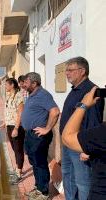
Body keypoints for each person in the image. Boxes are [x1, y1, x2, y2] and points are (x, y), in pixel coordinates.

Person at [59, 57, 104, 200]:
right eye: (66, 70)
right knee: (68, 177)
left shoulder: (91, 92)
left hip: (80, 146)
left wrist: (87, 149)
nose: (67, 73)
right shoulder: (74, 90)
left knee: (83, 183)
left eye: (70, 70)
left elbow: (93, 122)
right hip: (68, 144)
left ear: (82, 71)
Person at [21, 72, 60, 199]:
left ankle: (44, 192)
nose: (24, 85)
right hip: (30, 134)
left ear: (34, 83)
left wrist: (47, 129)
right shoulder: (32, 95)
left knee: (40, 163)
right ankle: (38, 188)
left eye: (26, 82)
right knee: (34, 162)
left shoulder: (43, 95)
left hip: (38, 136)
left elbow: (55, 111)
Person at [0, 78, 25, 184]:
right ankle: (18, 168)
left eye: (6, 85)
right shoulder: (9, 96)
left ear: (12, 85)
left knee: (18, 149)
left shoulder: (19, 96)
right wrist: (5, 122)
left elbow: (20, 113)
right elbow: (9, 110)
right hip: (9, 125)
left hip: (16, 126)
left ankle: (19, 172)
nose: (5, 87)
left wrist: (16, 128)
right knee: (14, 148)